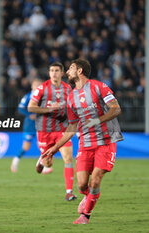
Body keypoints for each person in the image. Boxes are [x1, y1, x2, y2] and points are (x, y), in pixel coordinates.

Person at [43, 58, 123, 224]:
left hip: (106, 141)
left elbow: (116, 109)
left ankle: (85, 216)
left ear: (80, 71)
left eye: (70, 68)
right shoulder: (71, 97)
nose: (67, 72)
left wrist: (97, 120)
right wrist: (54, 148)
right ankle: (88, 196)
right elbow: (72, 126)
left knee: (96, 179)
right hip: (85, 143)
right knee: (81, 185)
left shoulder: (98, 87)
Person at [28, 62, 77, 201]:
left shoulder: (68, 89)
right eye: (51, 70)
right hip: (44, 130)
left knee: (68, 158)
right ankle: (42, 161)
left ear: (62, 73)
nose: (54, 73)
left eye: (56, 70)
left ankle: (69, 192)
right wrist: (49, 109)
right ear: (49, 73)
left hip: (62, 129)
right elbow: (31, 107)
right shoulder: (42, 88)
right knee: (48, 163)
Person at [10, 79, 42, 173]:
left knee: (42, 145)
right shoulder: (28, 96)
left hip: (40, 124)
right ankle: (15, 160)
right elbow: (20, 108)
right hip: (29, 125)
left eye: (39, 85)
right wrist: (29, 115)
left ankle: (44, 166)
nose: (37, 87)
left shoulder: (44, 97)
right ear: (32, 86)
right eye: (35, 85)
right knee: (26, 146)